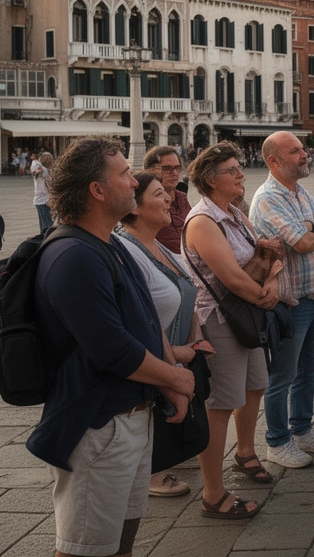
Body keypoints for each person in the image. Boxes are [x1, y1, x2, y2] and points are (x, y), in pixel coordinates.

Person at [26, 136, 194, 557]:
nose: (134, 183)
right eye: (124, 175)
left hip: (132, 416)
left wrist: (168, 378)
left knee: (120, 542)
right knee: (84, 547)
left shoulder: (111, 244)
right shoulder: (73, 255)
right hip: (100, 425)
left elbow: (144, 317)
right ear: (97, 191)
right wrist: (175, 376)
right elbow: (112, 348)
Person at [185, 143, 285, 517]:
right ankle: (213, 493)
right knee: (220, 405)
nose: (241, 173)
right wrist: (265, 295)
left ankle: (244, 453)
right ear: (212, 180)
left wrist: (271, 287)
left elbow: (267, 253)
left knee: (256, 384)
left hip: (248, 313)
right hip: (221, 320)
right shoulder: (202, 222)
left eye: (239, 167)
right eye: (232, 169)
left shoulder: (235, 214)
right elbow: (229, 278)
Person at [115, 171, 212, 501]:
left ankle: (152, 468)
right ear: (136, 206)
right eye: (159, 194)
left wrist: (195, 341)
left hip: (176, 355)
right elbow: (133, 321)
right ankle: (150, 472)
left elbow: (188, 292)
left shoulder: (159, 247)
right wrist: (175, 352)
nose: (170, 198)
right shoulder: (127, 251)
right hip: (155, 363)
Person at [249, 131, 314, 469]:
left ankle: (302, 429)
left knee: (308, 370)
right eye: (295, 151)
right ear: (274, 161)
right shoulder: (268, 198)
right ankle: (277, 440)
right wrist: (313, 230)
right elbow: (302, 243)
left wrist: (312, 229)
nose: (304, 155)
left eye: (303, 149)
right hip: (291, 302)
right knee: (282, 375)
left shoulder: (301, 191)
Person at [144, 146, 190, 254]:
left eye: (177, 168)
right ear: (150, 170)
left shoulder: (182, 198)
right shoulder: (146, 203)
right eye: (167, 168)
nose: (174, 173)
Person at [32, 152, 54, 233]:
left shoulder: (43, 169)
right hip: (48, 198)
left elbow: (34, 172)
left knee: (45, 223)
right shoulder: (49, 170)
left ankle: (45, 240)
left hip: (41, 200)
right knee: (48, 222)